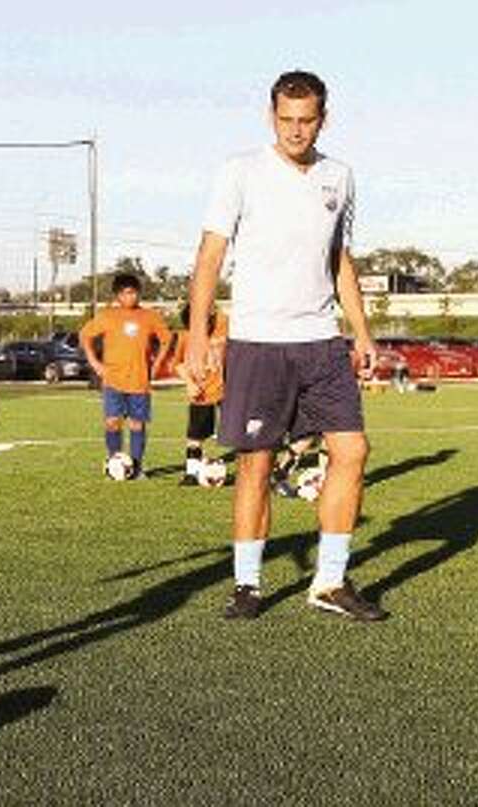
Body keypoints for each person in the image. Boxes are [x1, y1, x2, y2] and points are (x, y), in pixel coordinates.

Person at [185, 70, 387, 622]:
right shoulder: (240, 172)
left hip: (322, 343)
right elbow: (208, 258)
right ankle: (247, 585)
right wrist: (199, 337)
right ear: (271, 117)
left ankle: (329, 581)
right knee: (256, 465)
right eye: (286, 120)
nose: (296, 131)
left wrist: (362, 332)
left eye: (307, 120)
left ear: (324, 118)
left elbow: (339, 260)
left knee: (353, 451)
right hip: (257, 342)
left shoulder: (340, 177)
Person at [79, 272, 172, 479]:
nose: (130, 297)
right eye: (126, 293)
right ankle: (114, 462)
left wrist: (157, 364)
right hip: (113, 380)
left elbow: (167, 339)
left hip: (140, 381)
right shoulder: (107, 316)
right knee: (112, 421)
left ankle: (137, 467)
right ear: (118, 296)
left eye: (134, 293)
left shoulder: (150, 317)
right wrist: (95, 363)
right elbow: (85, 336)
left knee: (136, 424)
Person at [172, 302, 229, 485]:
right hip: (202, 392)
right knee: (195, 435)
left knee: (241, 432)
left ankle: (250, 471)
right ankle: (191, 472)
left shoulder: (225, 326)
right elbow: (178, 364)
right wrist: (189, 383)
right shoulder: (185, 337)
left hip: (229, 391)